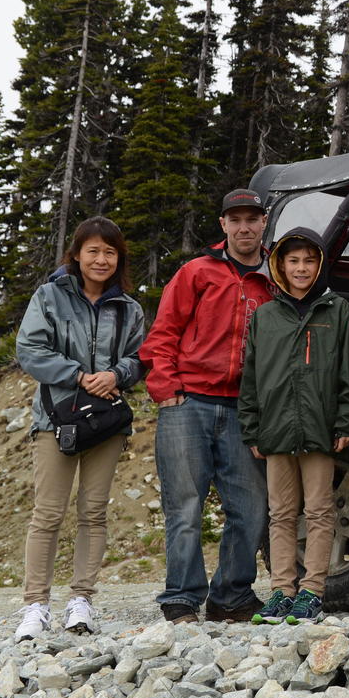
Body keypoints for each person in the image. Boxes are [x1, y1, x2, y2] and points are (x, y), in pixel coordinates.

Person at [140, 189, 275, 623]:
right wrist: (166, 387)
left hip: (243, 408)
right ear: (223, 225)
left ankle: (231, 596)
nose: (244, 227)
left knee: (251, 506)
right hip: (189, 402)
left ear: (264, 222)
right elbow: (163, 332)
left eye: (252, 219)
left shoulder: (275, 277)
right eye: (235, 220)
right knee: (185, 506)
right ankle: (181, 596)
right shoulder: (197, 271)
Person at [13, 217, 146, 641]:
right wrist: (79, 375)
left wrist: (118, 374)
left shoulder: (129, 307)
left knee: (94, 512)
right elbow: (29, 349)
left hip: (106, 421)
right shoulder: (50, 296)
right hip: (55, 418)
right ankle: (35, 605)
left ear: (118, 258)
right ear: (76, 254)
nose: (101, 259)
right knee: (48, 513)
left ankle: (81, 600)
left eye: (110, 252)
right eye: (93, 250)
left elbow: (142, 356)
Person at [239, 228, 349, 625]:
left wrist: (346, 419)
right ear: (279, 265)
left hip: (320, 427)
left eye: (309, 261)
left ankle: (311, 591)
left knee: (320, 510)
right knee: (281, 513)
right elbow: (251, 377)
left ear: (320, 265)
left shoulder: (336, 310)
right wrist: (252, 427)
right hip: (275, 430)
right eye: (293, 261)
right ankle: (280, 591)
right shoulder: (265, 316)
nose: (301, 268)